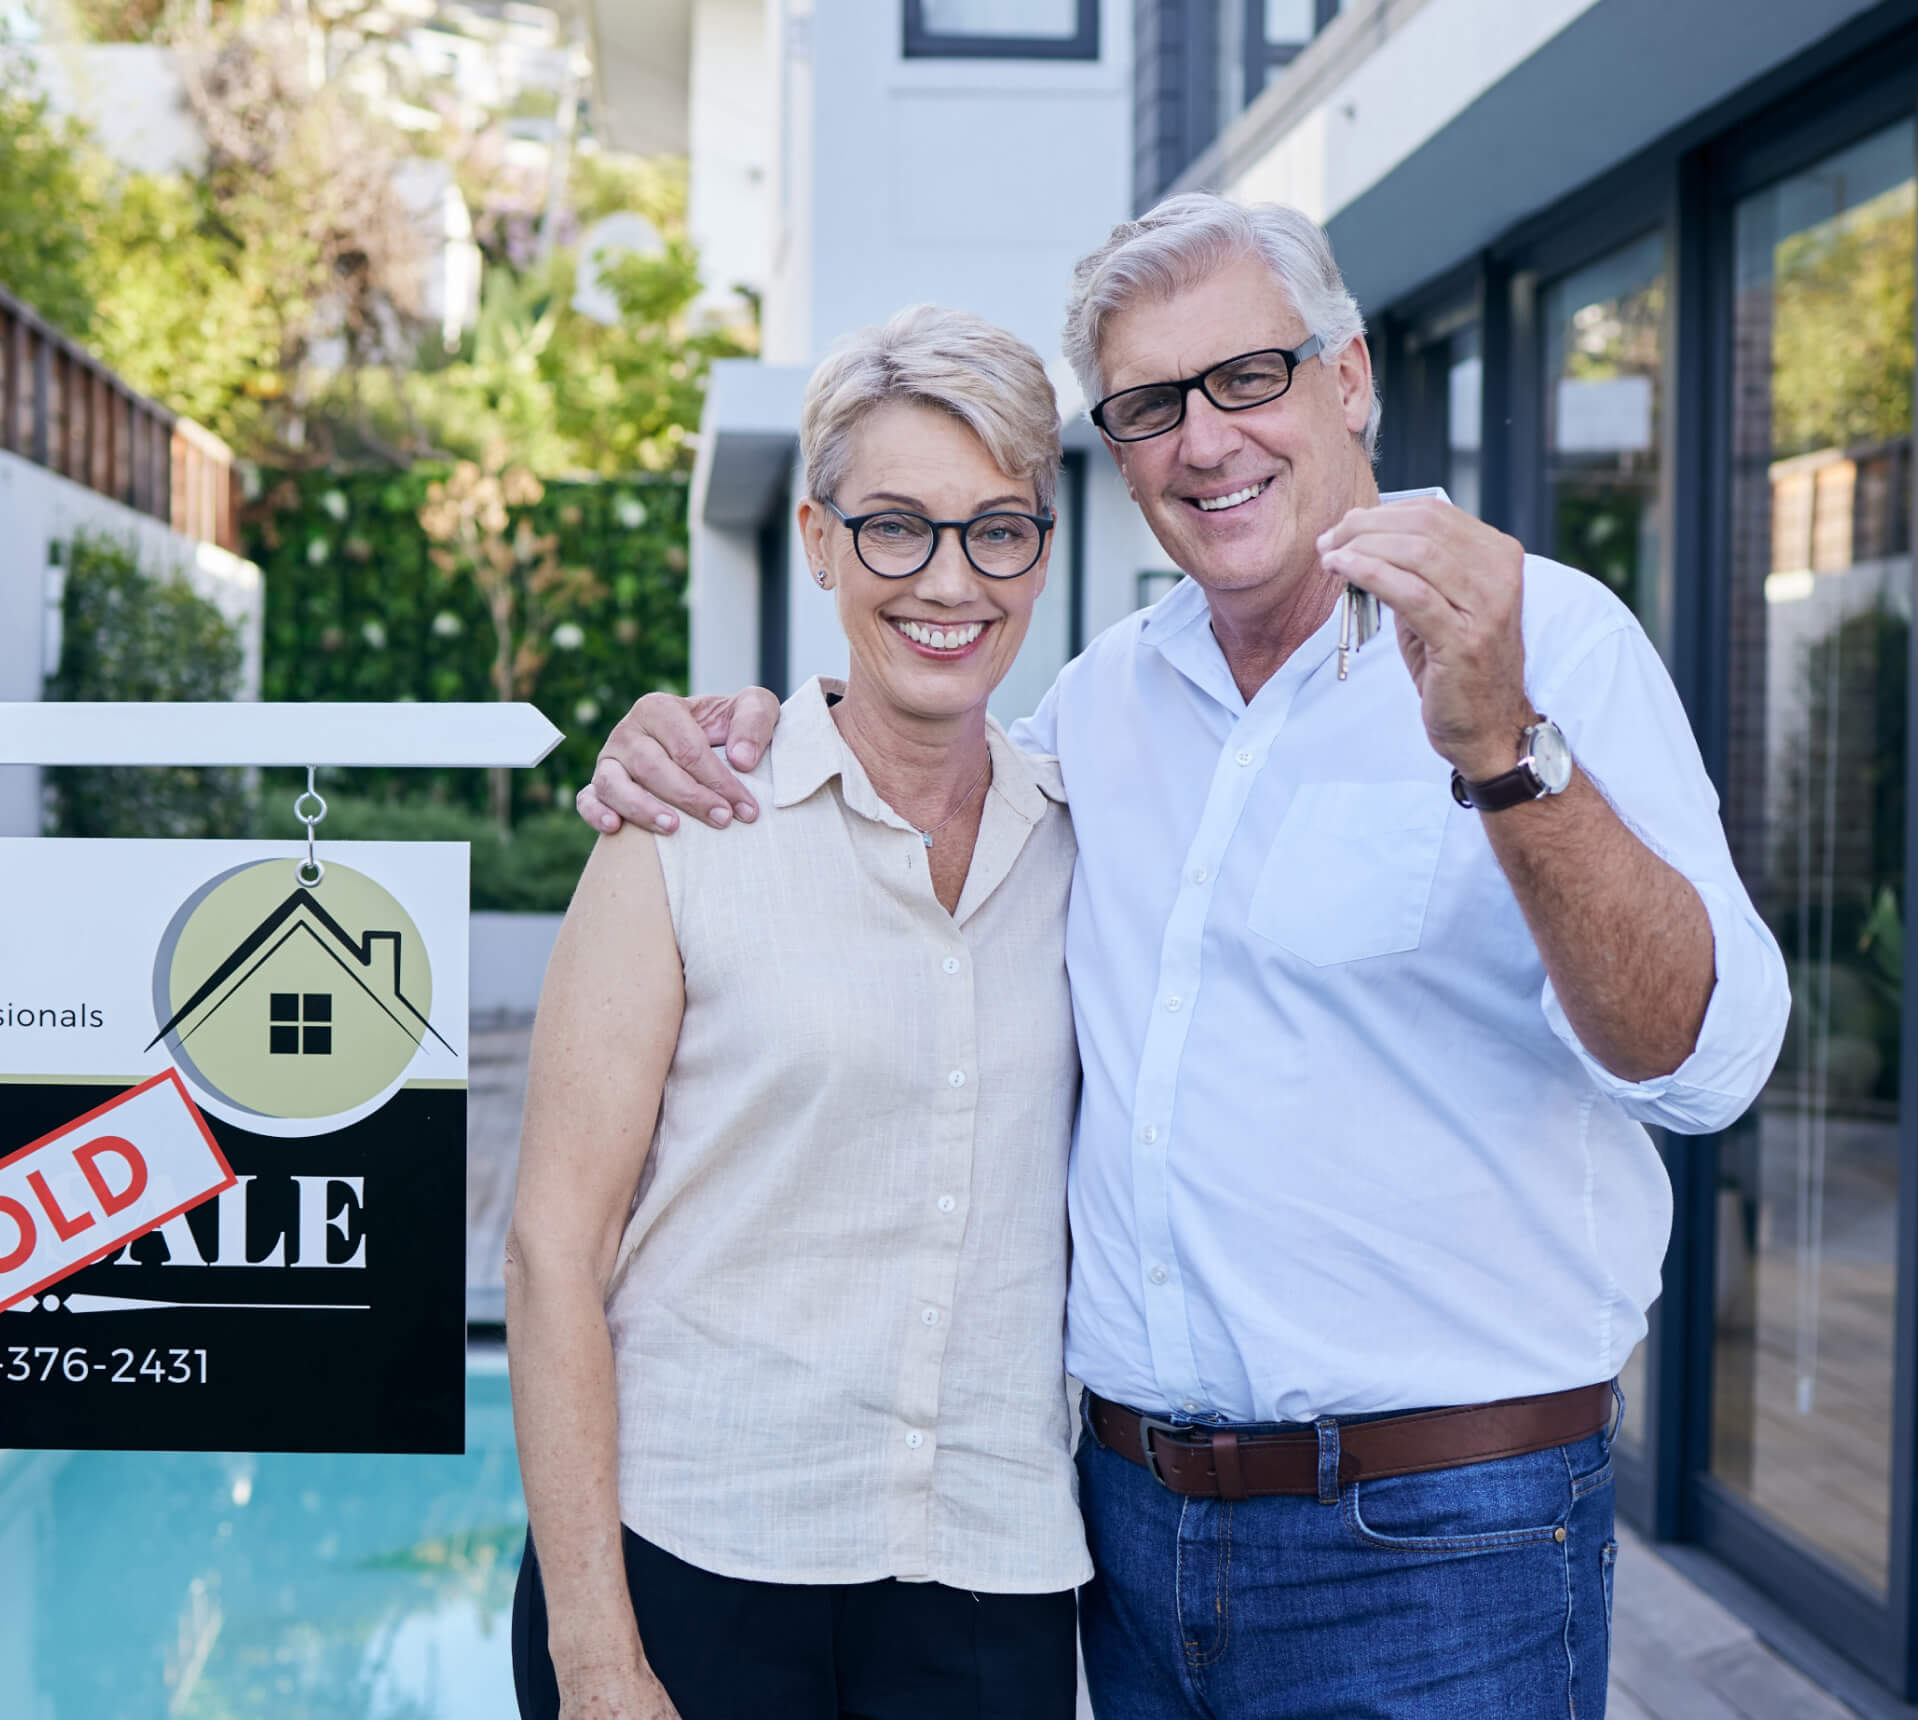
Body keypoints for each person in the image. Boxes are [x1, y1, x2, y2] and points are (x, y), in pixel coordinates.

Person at [578, 195, 1792, 1720]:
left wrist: (1506, 753)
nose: (1205, 441)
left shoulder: (1550, 642)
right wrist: (700, 729)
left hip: (1439, 1545)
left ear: (1349, 378)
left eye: (1249, 378)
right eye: (1151, 405)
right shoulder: (1101, 709)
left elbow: (1710, 1063)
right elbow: (901, 760)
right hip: (1130, 1541)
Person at [504, 304, 1090, 1720]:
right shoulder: (691, 820)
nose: (948, 578)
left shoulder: (1091, 836)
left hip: (988, 1578)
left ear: (1042, 551)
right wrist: (597, 1661)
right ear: (821, 541)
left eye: (995, 527)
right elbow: (547, 1251)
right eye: (896, 525)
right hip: (694, 1566)